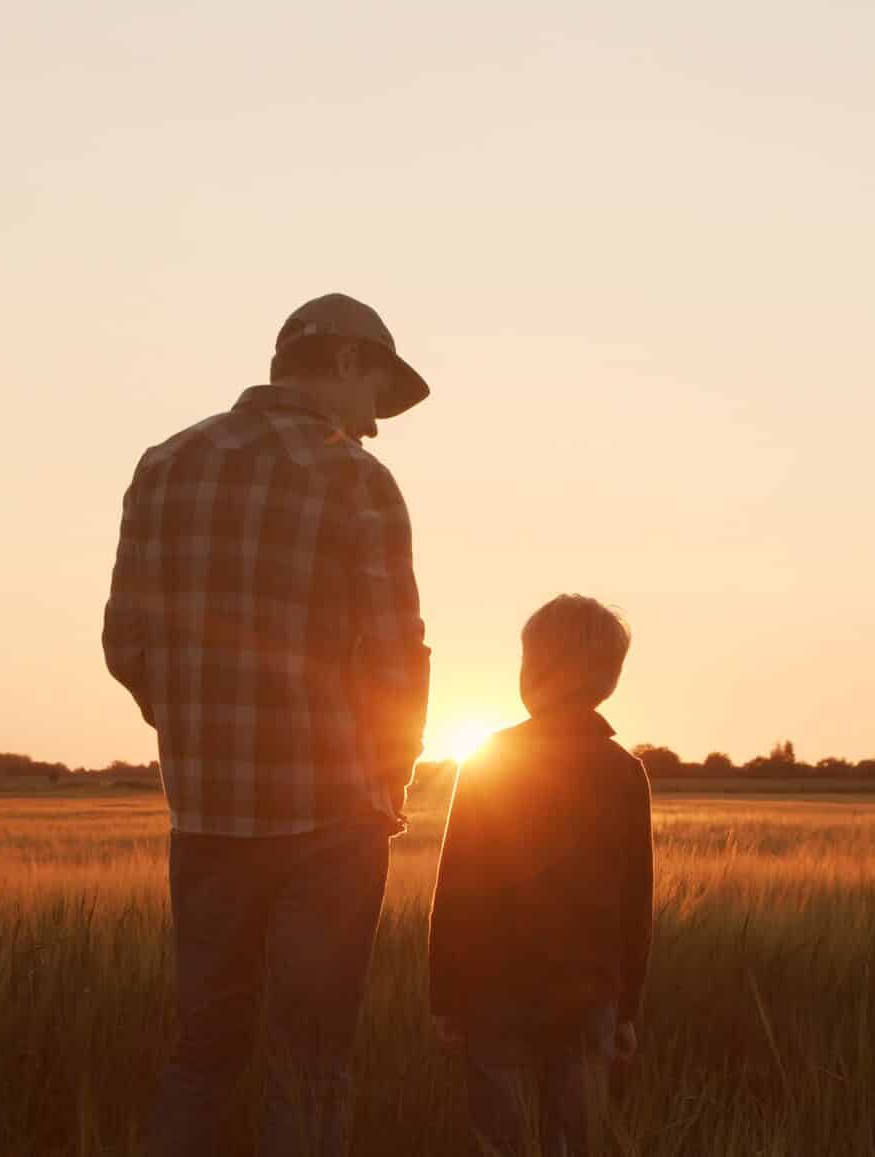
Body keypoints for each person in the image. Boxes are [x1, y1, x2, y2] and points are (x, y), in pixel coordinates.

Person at [103, 293, 433, 1156]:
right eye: (377, 400)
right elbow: (398, 656)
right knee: (311, 1059)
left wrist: (194, 727)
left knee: (203, 1054)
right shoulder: (354, 479)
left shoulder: (164, 464)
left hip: (207, 817)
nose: (374, 426)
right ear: (349, 363)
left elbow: (125, 641)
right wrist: (384, 787)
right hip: (332, 820)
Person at [427, 595, 654, 1157]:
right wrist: (626, 1009)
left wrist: (445, 994)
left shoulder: (490, 760)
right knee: (577, 1138)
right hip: (587, 992)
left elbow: (454, 885)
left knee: (499, 1138)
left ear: (533, 672)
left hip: (492, 990)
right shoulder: (623, 772)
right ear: (609, 679)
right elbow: (635, 905)